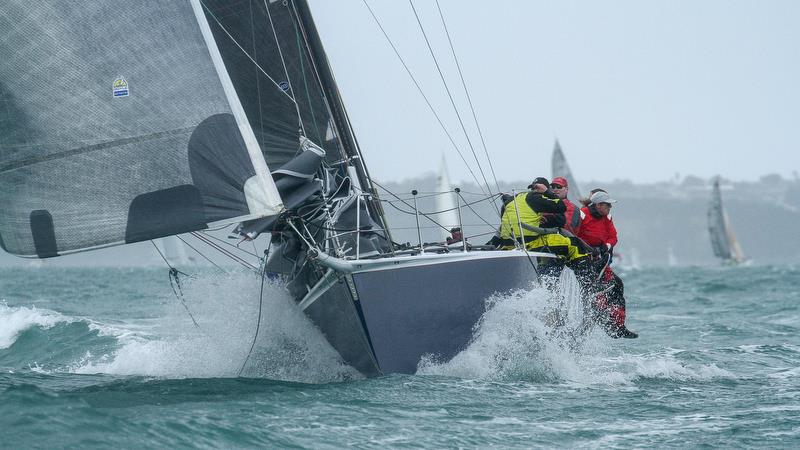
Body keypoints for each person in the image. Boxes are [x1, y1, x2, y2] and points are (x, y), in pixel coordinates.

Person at [577, 190, 638, 338]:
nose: (610, 208)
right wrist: (587, 248)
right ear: (598, 205)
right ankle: (596, 322)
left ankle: (618, 325)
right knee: (594, 291)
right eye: (608, 205)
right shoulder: (582, 214)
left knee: (617, 285)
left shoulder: (607, 216)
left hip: (601, 260)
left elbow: (613, 236)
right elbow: (574, 234)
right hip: (584, 259)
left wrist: (606, 247)